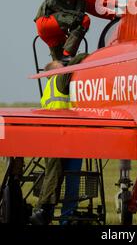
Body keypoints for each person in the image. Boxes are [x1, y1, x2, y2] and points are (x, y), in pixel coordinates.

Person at [30, 54, 87, 226]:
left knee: (56, 175)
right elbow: (76, 62)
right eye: (63, 65)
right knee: (65, 177)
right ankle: (53, 214)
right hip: (62, 136)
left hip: (60, 136)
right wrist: (88, 56)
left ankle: (48, 213)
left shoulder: (50, 86)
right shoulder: (60, 80)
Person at [34, 0, 118, 63]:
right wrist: (119, 4)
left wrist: (114, 15)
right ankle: (68, 54)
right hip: (48, 21)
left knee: (61, 65)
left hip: (49, 30)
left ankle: (60, 65)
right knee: (84, 19)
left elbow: (95, 9)